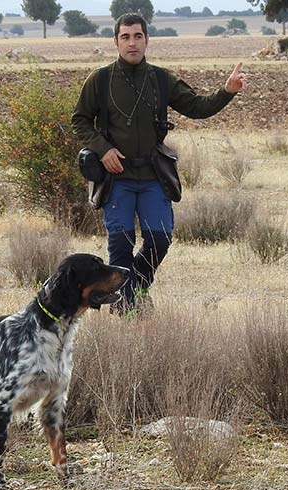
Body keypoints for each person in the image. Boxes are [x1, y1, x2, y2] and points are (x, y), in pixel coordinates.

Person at [72, 12, 247, 316]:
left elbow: (197, 107)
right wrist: (104, 150)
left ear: (147, 40)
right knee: (121, 246)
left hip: (153, 175)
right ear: (116, 41)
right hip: (117, 178)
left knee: (161, 239)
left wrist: (226, 92)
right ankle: (127, 309)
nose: (132, 43)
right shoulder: (99, 80)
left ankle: (134, 288)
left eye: (138, 36)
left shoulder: (161, 79)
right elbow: (80, 121)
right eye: (125, 37)